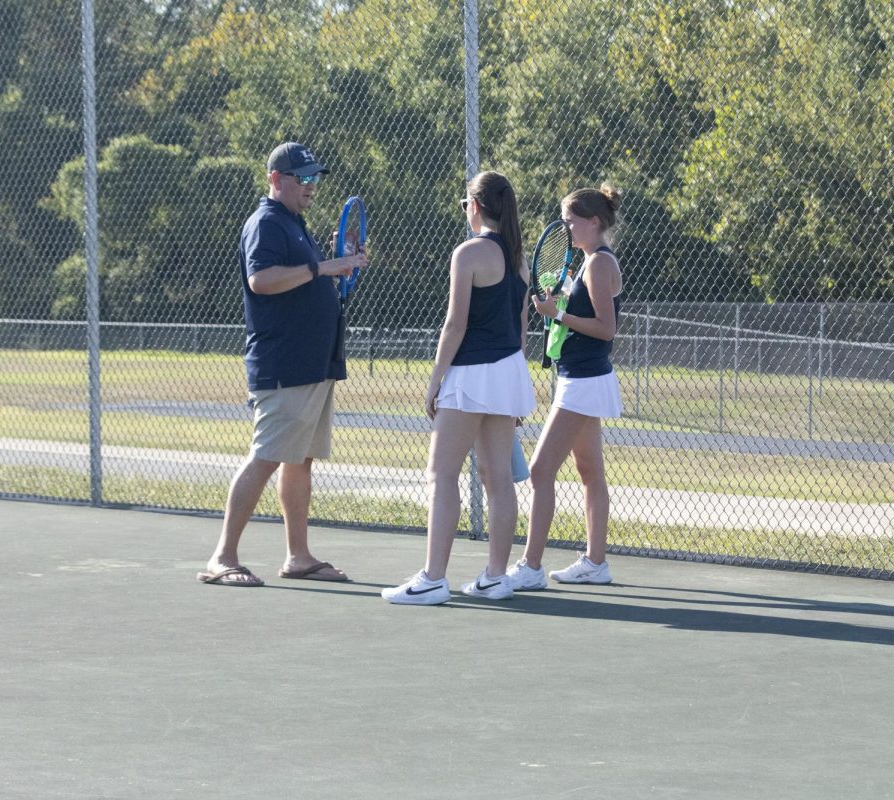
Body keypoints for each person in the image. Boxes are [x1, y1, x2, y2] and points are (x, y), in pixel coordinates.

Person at [197, 142, 367, 587]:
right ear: (275, 179)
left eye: (314, 178)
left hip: (315, 365)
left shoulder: (296, 224)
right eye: (302, 178)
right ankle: (222, 557)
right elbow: (262, 280)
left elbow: (311, 278)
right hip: (284, 365)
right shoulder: (267, 224)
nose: (311, 186)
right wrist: (323, 268)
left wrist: (335, 264)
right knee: (267, 457)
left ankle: (298, 556)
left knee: (301, 460)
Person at [382, 171, 536, 605]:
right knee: (498, 477)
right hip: (507, 371)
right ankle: (495, 577)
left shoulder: (468, 253)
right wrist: (512, 384)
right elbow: (521, 327)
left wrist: (435, 381)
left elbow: (455, 324)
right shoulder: (520, 259)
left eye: (465, 205)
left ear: (474, 206)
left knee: (441, 473)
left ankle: (433, 579)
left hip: (471, 375)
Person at [507, 185, 624, 589]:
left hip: (584, 381)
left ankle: (530, 566)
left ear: (594, 221)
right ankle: (595, 562)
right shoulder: (589, 262)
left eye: (570, 220)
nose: (565, 227)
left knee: (540, 471)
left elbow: (606, 330)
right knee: (590, 471)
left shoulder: (598, 264)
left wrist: (558, 313)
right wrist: (557, 309)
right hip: (578, 376)